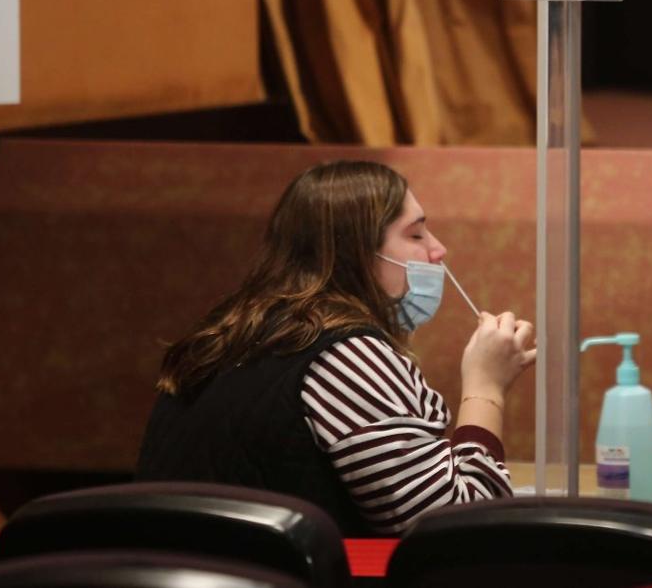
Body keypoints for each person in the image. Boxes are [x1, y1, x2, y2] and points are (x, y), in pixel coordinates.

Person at [137, 160, 535, 536]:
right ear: (357, 253)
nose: (438, 250)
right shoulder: (347, 355)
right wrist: (486, 386)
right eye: (415, 234)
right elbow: (455, 525)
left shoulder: (232, 331)